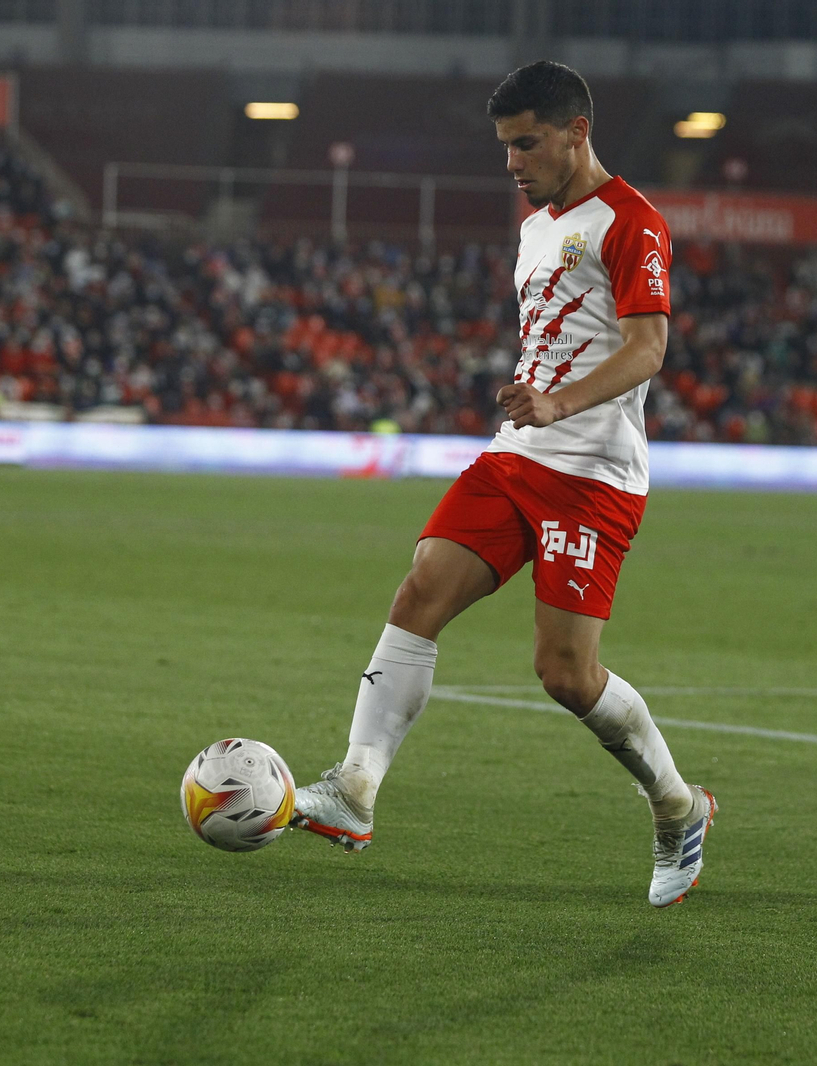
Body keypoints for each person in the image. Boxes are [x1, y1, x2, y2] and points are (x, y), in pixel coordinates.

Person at [286, 61, 716, 907]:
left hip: (592, 475)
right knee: (421, 591)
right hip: (515, 456)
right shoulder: (535, 227)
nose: (512, 161)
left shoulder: (633, 223)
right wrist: (534, 407)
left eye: (527, 143)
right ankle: (356, 790)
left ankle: (677, 806)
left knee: (564, 674)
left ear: (576, 131)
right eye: (504, 146)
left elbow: (646, 348)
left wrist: (558, 403)